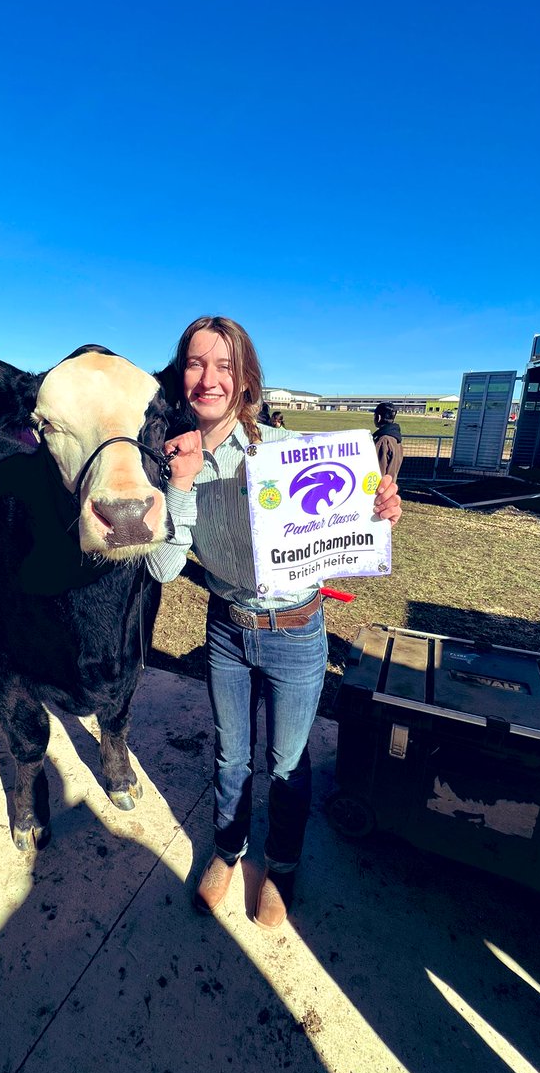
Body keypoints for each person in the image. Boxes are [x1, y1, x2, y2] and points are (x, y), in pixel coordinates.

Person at [147, 316, 402, 929]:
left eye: (224, 365)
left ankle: (282, 864)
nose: (208, 378)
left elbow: (341, 512)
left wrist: (377, 509)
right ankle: (228, 852)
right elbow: (161, 567)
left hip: (298, 631)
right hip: (227, 630)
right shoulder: (169, 458)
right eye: (195, 363)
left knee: (288, 761)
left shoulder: (284, 452)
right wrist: (180, 485)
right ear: (181, 374)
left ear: (244, 379)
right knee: (232, 757)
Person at [373, 401, 403, 481]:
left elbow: (378, 469)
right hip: (390, 483)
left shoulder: (383, 440)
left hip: (380, 487)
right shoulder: (396, 438)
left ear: (378, 417)